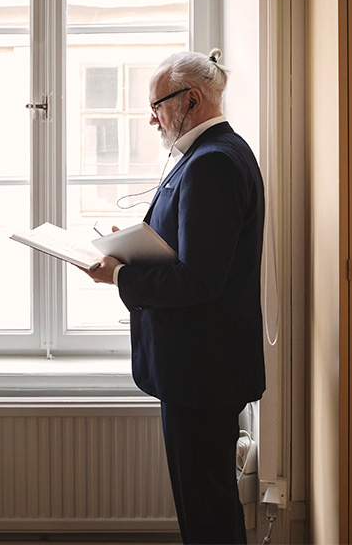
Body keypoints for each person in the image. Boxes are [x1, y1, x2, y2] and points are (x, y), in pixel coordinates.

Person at [83, 48, 266, 544]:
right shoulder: (214, 154)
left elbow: (200, 280)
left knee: (206, 510)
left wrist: (119, 276)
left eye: (157, 104)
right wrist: (134, 248)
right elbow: (195, 256)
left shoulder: (212, 163)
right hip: (204, 366)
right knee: (207, 502)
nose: (151, 117)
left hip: (201, 370)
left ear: (191, 99)